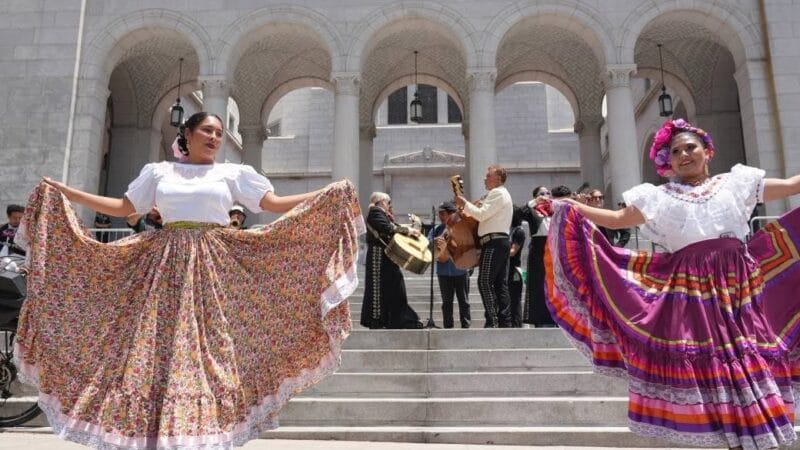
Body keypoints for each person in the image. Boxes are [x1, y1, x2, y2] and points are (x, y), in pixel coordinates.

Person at [13, 111, 363, 450]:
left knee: (208, 352)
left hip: (212, 268)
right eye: (207, 130)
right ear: (188, 134)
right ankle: (158, 435)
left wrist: (326, 194)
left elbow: (273, 204)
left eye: (219, 133)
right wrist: (68, 192)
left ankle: (200, 437)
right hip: (163, 267)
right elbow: (122, 207)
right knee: (156, 350)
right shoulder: (159, 172)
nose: (214, 137)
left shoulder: (232, 173)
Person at [546, 118, 800, 450]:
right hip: (694, 293)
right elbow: (619, 219)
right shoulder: (660, 197)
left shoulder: (735, 184)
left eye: (690, 147)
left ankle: (756, 438)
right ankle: (737, 442)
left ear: (707, 151)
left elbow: (791, 185)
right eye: (675, 151)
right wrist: (572, 206)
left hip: (739, 287)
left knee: (749, 358)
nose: (684, 155)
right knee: (717, 367)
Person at [454, 164, 513, 328]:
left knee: (484, 281)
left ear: (498, 178)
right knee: (499, 284)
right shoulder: (500, 194)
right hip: (499, 241)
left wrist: (465, 203)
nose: (484, 178)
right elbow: (480, 214)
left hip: (493, 242)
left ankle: (493, 320)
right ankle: (504, 321)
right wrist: (468, 208)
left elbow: (481, 214)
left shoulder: (497, 193)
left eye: (488, 176)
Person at [360, 191, 423, 329]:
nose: (389, 205)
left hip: (386, 255)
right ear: (382, 202)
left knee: (394, 284)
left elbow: (394, 227)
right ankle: (376, 320)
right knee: (377, 288)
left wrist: (410, 229)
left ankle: (395, 319)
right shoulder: (375, 213)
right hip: (378, 256)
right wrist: (408, 230)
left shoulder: (382, 215)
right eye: (388, 203)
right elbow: (388, 228)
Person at [429, 201, 471, 328]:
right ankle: (448, 327)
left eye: (443, 213)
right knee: (446, 302)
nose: (440, 216)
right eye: (439, 214)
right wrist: (434, 241)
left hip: (460, 270)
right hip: (443, 272)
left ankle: (466, 326)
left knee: (464, 301)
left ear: (451, 214)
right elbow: (427, 245)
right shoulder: (437, 230)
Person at [517, 186, 554, 327]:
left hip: (554, 247)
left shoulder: (555, 210)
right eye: (542, 193)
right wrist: (534, 202)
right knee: (539, 283)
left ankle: (555, 318)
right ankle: (540, 319)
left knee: (554, 284)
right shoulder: (532, 210)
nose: (546, 195)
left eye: (548, 193)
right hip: (539, 247)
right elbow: (518, 214)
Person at [507, 208, 526, 327]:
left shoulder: (519, 231)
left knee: (515, 299)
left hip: (515, 270)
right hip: (507, 269)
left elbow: (513, 252)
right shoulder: (510, 230)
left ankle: (517, 324)